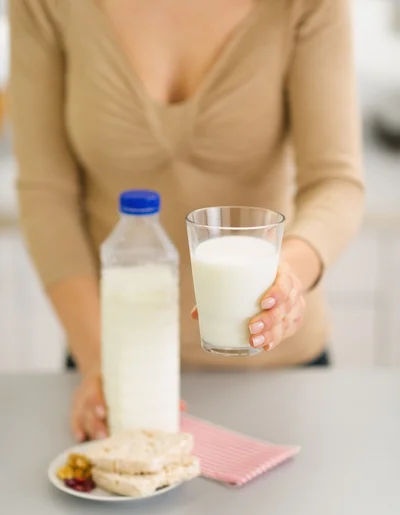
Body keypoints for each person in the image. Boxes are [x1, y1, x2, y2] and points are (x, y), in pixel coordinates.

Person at [10, 0, 364, 441]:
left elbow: (335, 181)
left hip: (279, 375)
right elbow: (47, 194)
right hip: (113, 361)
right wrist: (105, 362)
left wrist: (287, 276)